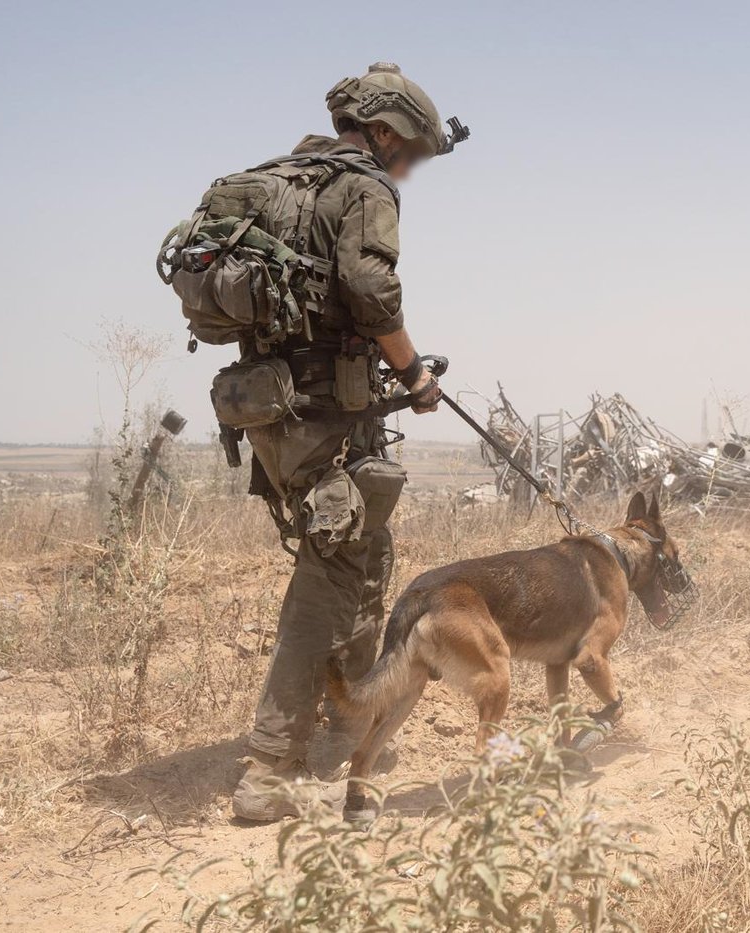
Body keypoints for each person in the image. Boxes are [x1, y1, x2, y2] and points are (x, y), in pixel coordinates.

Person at [219, 63, 455, 820]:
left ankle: (349, 715)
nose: (407, 169)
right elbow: (372, 291)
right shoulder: (364, 187)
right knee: (327, 578)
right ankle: (270, 772)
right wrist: (414, 373)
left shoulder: (277, 180)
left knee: (366, 554)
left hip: (266, 406)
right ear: (382, 131)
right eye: (409, 153)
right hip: (326, 414)